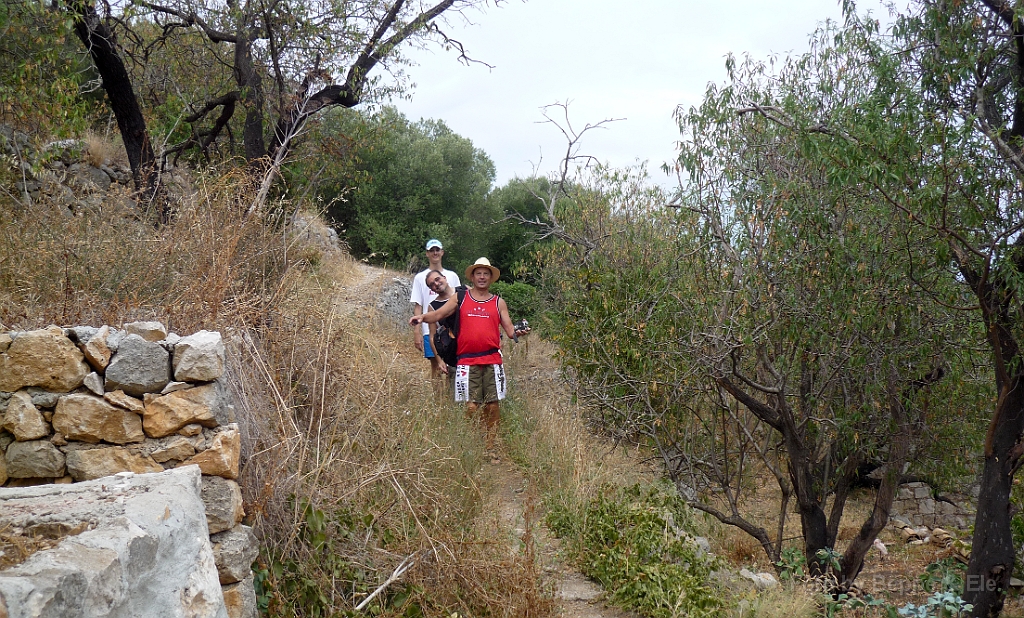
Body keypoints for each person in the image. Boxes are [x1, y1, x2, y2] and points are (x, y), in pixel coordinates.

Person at [410, 257, 522, 454]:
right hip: (466, 360)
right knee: (471, 406)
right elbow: (438, 315)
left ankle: (490, 445)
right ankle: (476, 439)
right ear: (472, 276)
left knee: (493, 406)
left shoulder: (498, 302)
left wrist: (518, 333)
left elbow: (510, 329)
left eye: (485, 273)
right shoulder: (461, 298)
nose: (482, 277)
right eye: (478, 273)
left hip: (492, 360)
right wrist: (421, 318)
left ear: (490, 278)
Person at [409, 239, 461, 378]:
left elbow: (461, 300)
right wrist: (417, 332)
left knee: (456, 366)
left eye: (437, 250)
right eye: (432, 250)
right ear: (427, 254)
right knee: (436, 367)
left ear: (442, 252)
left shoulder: (452, 276)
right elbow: (418, 304)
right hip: (430, 329)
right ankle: (439, 399)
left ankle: (453, 397)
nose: (435, 253)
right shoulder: (420, 278)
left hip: (454, 329)